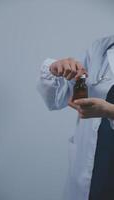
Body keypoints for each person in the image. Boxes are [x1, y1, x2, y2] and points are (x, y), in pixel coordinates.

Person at [37, 35, 114, 200]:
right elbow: (59, 98)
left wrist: (109, 111)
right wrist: (55, 69)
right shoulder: (102, 48)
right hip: (97, 165)